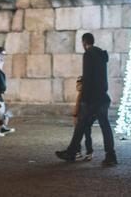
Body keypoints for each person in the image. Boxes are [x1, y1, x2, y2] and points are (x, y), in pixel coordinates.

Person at [55, 33, 117, 166]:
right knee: (104, 126)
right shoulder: (101, 54)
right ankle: (110, 155)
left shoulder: (88, 54)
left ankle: (72, 152)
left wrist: (84, 98)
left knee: (81, 125)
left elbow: (88, 77)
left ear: (84, 43)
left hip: (92, 98)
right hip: (102, 96)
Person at [71, 76, 94, 161]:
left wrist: (75, 115)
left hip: (82, 117)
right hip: (86, 117)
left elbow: (77, 106)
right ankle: (88, 153)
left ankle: (80, 152)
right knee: (87, 135)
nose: (77, 86)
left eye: (79, 84)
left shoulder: (81, 94)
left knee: (79, 135)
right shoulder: (88, 94)